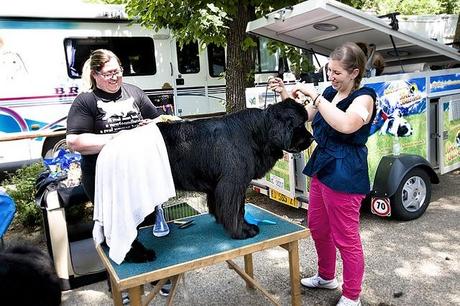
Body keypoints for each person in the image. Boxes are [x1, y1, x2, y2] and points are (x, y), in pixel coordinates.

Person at [269, 42, 376, 306]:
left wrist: (316, 97)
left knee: (346, 237)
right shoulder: (330, 92)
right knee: (318, 227)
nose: (331, 77)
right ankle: (326, 276)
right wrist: (285, 92)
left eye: (337, 73)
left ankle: (352, 295)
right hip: (323, 167)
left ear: (354, 72)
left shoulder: (364, 98)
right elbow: (302, 115)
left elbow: (346, 124)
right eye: (329, 71)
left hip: (346, 170)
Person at [66, 49, 172, 295]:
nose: (115, 78)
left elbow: (156, 120)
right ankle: (120, 287)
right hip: (103, 179)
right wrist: (118, 138)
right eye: (108, 74)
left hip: (138, 174)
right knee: (111, 229)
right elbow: (75, 142)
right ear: (95, 75)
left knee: (143, 225)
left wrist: (152, 124)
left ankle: (155, 278)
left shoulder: (134, 92)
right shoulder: (86, 101)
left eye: (118, 72)